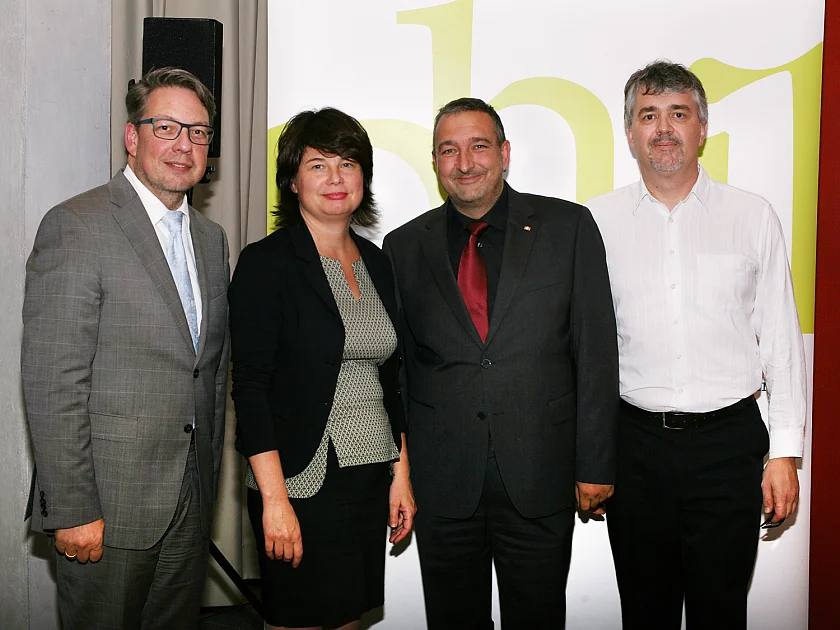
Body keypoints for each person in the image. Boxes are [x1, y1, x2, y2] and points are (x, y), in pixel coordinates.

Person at [382, 97, 619, 629]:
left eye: (479, 146)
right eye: (449, 150)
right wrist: (400, 470)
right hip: (443, 480)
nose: (464, 162)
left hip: (541, 472)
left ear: (505, 153)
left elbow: (597, 353)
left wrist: (596, 464)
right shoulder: (403, 246)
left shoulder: (567, 227)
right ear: (435, 161)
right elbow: (398, 372)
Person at [587, 60, 806, 630]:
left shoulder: (751, 216)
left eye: (678, 114)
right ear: (630, 131)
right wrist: (587, 454)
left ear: (702, 128)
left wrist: (785, 453)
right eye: (648, 115)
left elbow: (781, 340)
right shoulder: (595, 223)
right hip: (633, 448)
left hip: (728, 448)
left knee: (721, 613)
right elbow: (581, 349)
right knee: (645, 614)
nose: (663, 128)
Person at [21, 67, 230, 629]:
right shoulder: (77, 225)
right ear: (132, 137)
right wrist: (72, 508)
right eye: (167, 127)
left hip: (189, 503)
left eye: (198, 132)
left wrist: (206, 489)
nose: (184, 144)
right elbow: (53, 381)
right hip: (107, 508)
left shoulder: (211, 240)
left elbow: (208, 374)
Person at [228, 107, 416, 630]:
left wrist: (401, 475)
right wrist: (274, 500)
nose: (335, 178)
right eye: (318, 165)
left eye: (347, 164)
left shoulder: (378, 262)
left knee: (350, 618)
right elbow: (251, 389)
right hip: (299, 481)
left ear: (364, 177)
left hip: (368, 476)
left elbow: (391, 380)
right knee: (300, 620)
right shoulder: (267, 263)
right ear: (293, 181)